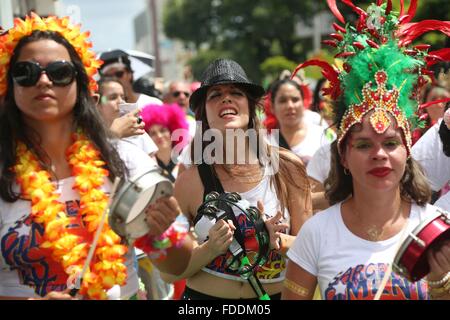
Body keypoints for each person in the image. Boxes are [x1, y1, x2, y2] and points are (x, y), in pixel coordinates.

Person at [0, 13, 190, 300]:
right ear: (10, 84)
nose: (43, 81)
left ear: (81, 83)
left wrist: (159, 233)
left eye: (59, 72)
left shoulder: (124, 160)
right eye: (25, 72)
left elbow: (178, 266)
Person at [283, 1, 450, 300]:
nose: (379, 154)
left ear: (407, 151)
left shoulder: (436, 229)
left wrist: (441, 285)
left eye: (390, 143)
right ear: (343, 157)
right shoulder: (316, 233)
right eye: (363, 145)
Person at [162, 58, 312, 300]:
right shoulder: (189, 181)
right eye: (215, 95)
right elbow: (170, 273)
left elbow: (312, 249)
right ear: (204, 114)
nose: (227, 99)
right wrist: (210, 248)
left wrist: (276, 241)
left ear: (251, 107)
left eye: (236, 92)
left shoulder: (288, 168)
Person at [265, 79, 331, 166]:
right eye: (283, 101)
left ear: (304, 103)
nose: (290, 106)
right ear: (272, 107)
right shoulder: (265, 143)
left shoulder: (322, 136)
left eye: (295, 100)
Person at [96, 77, 159, 159]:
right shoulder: (91, 136)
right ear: (97, 102)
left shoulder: (136, 130)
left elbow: (153, 165)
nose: (121, 102)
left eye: (123, 97)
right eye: (113, 97)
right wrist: (114, 135)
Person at [140, 103, 190, 182]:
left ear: (172, 131)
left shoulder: (186, 159)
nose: (159, 136)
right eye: (153, 133)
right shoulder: (147, 166)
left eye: (163, 130)